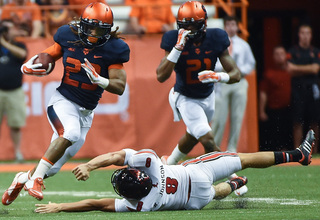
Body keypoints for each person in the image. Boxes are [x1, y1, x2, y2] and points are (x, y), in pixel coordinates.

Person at [2, 2, 130, 205]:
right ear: (83, 25)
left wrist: (100, 81)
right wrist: (33, 64)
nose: (94, 34)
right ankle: (35, 180)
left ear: (108, 30)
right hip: (63, 101)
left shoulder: (114, 48)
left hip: (86, 112)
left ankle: (21, 179)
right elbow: (49, 55)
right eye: (91, 28)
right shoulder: (68, 35)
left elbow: (120, 86)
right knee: (70, 133)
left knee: (51, 168)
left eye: (100, 30)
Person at [33, 129, 315, 213]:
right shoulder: (152, 164)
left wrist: (60, 208)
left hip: (196, 200)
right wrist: (90, 165)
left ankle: (237, 184)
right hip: (194, 173)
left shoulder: (142, 205)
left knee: (215, 193)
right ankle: (296, 155)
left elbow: (95, 204)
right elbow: (118, 155)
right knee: (245, 157)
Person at [156, 1, 240, 164]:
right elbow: (161, 76)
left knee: (193, 136)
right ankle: (233, 175)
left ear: (204, 23)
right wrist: (177, 49)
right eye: (186, 26)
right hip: (184, 96)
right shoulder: (173, 39)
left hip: (208, 97)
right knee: (207, 139)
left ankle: (168, 165)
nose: (190, 31)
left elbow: (236, 74)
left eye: (194, 26)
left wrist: (219, 77)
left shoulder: (216, 37)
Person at [211, 15, 256, 153]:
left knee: (237, 116)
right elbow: (213, 63)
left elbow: (251, 63)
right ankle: (213, 149)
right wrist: (221, 71)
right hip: (223, 81)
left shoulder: (243, 44)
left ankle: (232, 149)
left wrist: (240, 71)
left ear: (237, 26)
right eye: (228, 24)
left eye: (233, 24)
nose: (231, 27)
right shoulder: (218, 44)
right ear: (224, 26)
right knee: (219, 117)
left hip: (239, 81)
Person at [287, 24, 320, 154]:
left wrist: (298, 69)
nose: (305, 36)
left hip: (313, 89)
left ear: (311, 35)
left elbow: (316, 69)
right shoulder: (293, 51)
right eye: (303, 33)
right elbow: (290, 69)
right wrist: (309, 68)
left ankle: (315, 151)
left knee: (315, 121)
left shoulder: (316, 51)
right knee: (297, 121)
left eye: (308, 33)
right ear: (299, 35)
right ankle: (297, 150)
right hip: (297, 89)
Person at [0, 19, 28, 162]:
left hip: (15, 90)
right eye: (6, 29)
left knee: (16, 124)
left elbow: (22, 55)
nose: (8, 31)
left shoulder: (19, 45)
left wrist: (4, 43)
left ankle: (17, 153)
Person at [259, 46, 293, 151]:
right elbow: (263, 93)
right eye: (277, 54)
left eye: (281, 54)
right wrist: (261, 111)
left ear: (286, 56)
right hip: (274, 110)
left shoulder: (292, 71)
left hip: (289, 109)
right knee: (275, 136)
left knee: (288, 134)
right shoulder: (269, 74)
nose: (279, 57)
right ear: (273, 57)